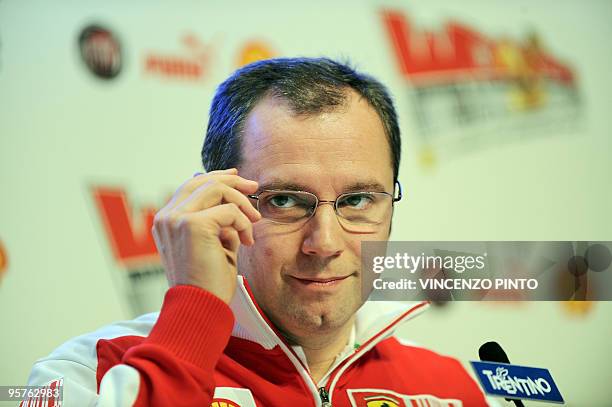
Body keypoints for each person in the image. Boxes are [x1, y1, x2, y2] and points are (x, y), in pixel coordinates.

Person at [23, 58, 489, 406]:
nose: (324, 243)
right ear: (215, 203)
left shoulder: (450, 387)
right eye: (284, 201)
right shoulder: (91, 371)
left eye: (356, 201)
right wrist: (193, 318)